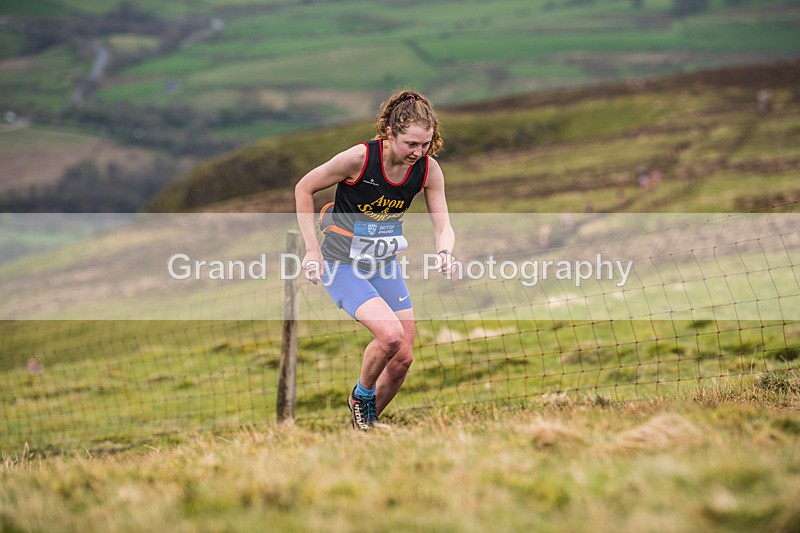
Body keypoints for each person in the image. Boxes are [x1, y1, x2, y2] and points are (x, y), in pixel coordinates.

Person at [294, 89, 455, 430]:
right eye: (411, 144)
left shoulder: (428, 170)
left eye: (425, 144)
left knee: (402, 360)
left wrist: (445, 252)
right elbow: (304, 188)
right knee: (390, 337)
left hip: (384, 265)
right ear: (390, 133)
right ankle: (360, 397)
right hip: (341, 265)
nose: (418, 152)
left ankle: (364, 428)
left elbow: (444, 225)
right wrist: (311, 250)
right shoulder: (359, 159)